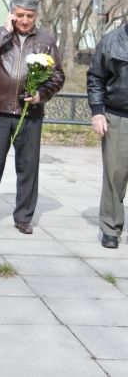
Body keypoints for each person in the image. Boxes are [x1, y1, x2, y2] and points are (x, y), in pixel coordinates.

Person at [0, 0, 65, 235]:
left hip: (30, 113)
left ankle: (23, 217)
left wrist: (41, 95)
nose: (25, 20)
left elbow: (58, 76)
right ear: (12, 13)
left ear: (36, 16)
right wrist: (5, 33)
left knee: (28, 167)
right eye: (20, 15)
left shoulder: (46, 40)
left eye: (30, 16)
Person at [87, 23, 128, 249]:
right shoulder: (112, 40)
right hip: (119, 116)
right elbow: (96, 77)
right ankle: (111, 228)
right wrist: (97, 112)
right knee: (115, 176)